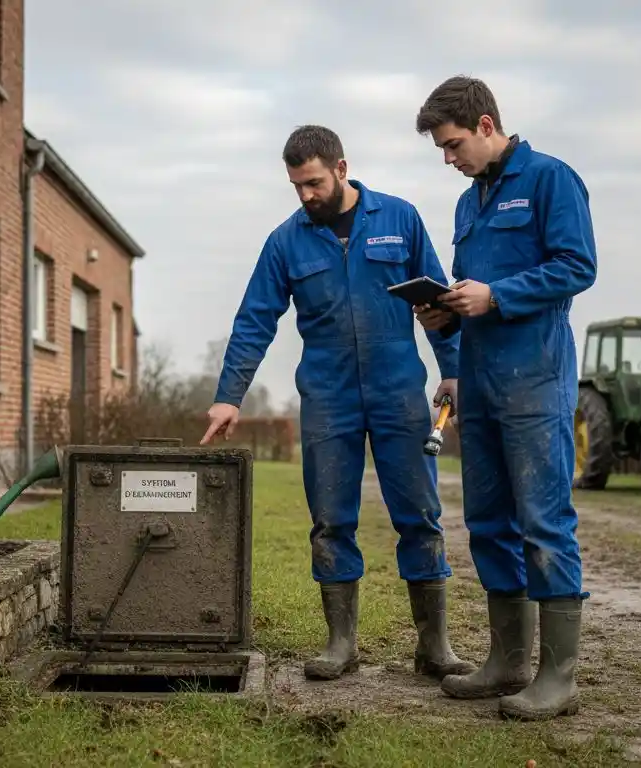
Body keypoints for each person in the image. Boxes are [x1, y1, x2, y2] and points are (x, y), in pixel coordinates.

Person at [201, 125, 474, 683]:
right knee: (330, 520)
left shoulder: (399, 218)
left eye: (314, 183)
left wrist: (452, 370)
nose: (306, 195)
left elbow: (439, 302)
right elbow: (254, 320)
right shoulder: (286, 242)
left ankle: (434, 647)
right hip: (328, 397)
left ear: (341, 169)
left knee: (420, 516)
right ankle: (341, 644)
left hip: (399, 392)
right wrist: (229, 397)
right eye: (296, 186)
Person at [411, 76, 598, 721]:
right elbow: (474, 293)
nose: (448, 158)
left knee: (543, 522)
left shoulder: (551, 179)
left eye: (453, 144)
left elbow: (577, 266)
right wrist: (448, 312)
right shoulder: (468, 204)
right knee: (489, 522)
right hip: (482, 382)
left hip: (536, 380)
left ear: (486, 125)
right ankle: (507, 661)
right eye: (441, 148)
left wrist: (497, 295)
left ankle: (558, 677)